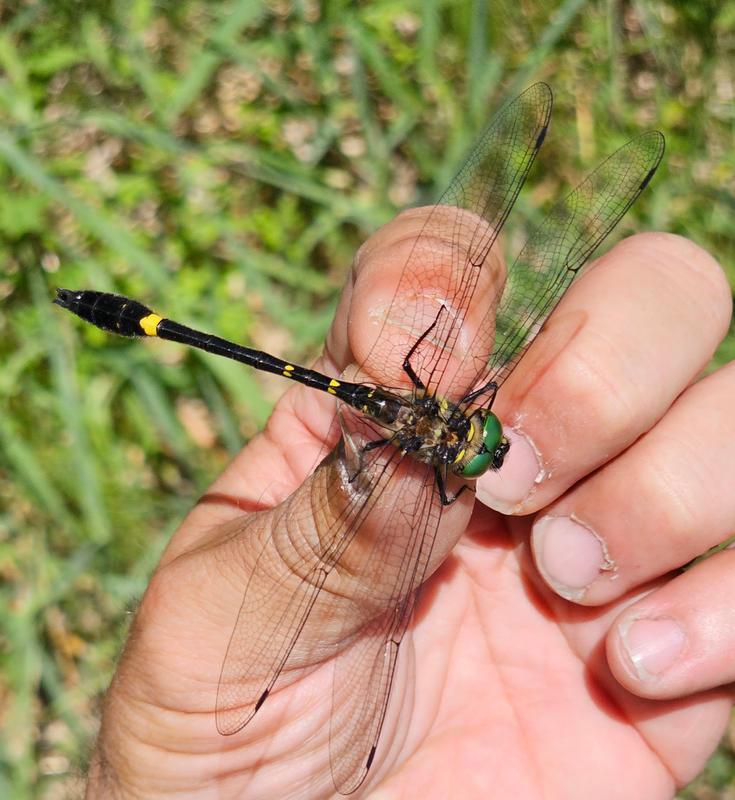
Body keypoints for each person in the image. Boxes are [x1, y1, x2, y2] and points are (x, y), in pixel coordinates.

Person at [85, 208, 734, 799]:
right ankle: (140, 319)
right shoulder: (420, 457)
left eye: (482, 448)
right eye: (484, 446)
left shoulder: (432, 434)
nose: (487, 451)